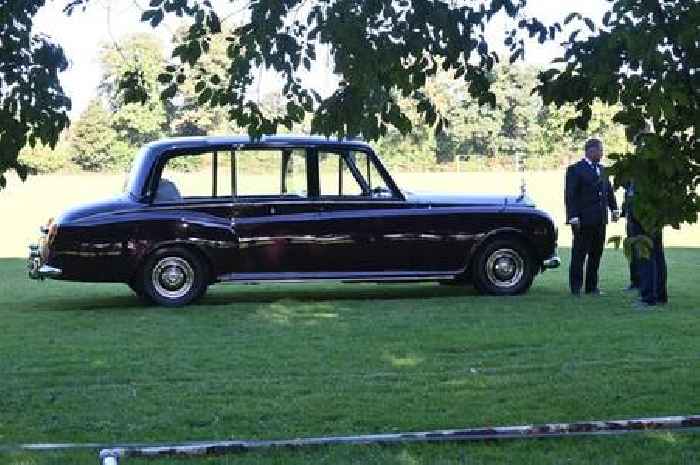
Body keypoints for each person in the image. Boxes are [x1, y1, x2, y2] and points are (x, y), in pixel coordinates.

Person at [564, 138, 619, 296]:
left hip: (600, 220)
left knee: (596, 254)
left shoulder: (602, 170)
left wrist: (614, 208)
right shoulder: (575, 169)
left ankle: (591, 287)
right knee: (579, 255)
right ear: (591, 151)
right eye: (600, 150)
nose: (602, 154)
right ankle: (575, 288)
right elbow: (570, 195)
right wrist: (573, 216)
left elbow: (608, 191)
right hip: (583, 220)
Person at [621, 181, 640, 291]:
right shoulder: (630, 184)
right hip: (631, 221)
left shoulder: (640, 182)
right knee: (632, 252)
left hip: (639, 221)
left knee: (641, 252)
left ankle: (642, 282)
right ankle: (635, 281)